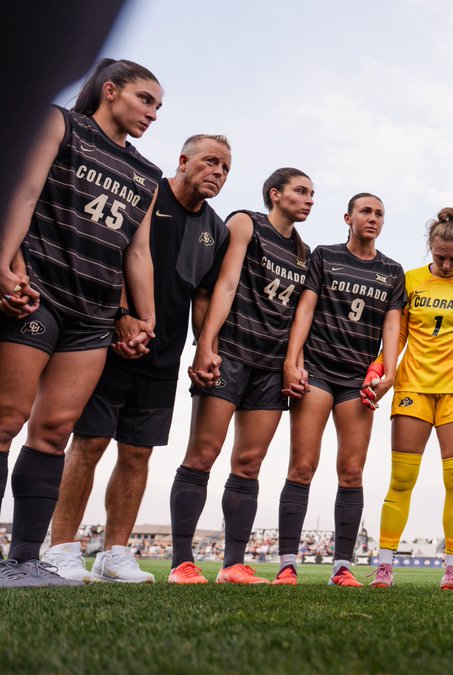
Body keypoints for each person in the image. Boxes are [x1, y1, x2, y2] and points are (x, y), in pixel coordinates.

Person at [0, 58, 162, 587]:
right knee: (6, 419)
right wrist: (4, 262)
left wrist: (144, 316)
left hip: (94, 313)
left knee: (53, 432)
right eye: (145, 99)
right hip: (39, 291)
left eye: (158, 107)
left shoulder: (147, 174)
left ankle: (25, 560)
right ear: (110, 90)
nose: (152, 113)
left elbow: (138, 251)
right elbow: (23, 193)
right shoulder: (62, 124)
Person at [42, 134, 230, 584]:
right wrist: (124, 316)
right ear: (182, 160)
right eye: (210, 162)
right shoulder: (147, 193)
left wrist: (205, 346)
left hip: (163, 354)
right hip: (112, 338)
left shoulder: (217, 230)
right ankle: (60, 548)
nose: (218, 173)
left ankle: (115, 554)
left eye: (225, 168)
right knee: (89, 442)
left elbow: (203, 295)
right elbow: (118, 253)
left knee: (138, 452)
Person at [167, 168, 312, 585]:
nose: (309, 199)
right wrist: (206, 343)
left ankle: (233, 565)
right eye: (301, 191)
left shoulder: (304, 252)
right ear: (275, 194)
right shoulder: (247, 222)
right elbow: (225, 285)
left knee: (248, 464)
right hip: (230, 354)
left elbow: (297, 316)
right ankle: (181, 562)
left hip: (270, 366)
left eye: (312, 193)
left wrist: (293, 362)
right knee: (202, 454)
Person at [273, 193, 405, 588]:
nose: (373, 218)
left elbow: (392, 326)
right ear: (348, 218)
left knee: (351, 470)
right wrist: (292, 360)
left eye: (379, 213)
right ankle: (287, 564)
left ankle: (342, 567)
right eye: (365, 211)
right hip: (317, 371)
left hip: (357, 380)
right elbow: (305, 309)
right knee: (302, 465)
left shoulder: (392, 271)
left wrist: (390, 373)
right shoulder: (325, 256)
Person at [364, 208, 453, 591]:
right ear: (430, 248)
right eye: (440, 257)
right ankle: (385, 566)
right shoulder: (410, 280)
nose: (447, 265)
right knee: (402, 478)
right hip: (413, 388)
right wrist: (379, 368)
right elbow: (397, 335)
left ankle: (452, 569)